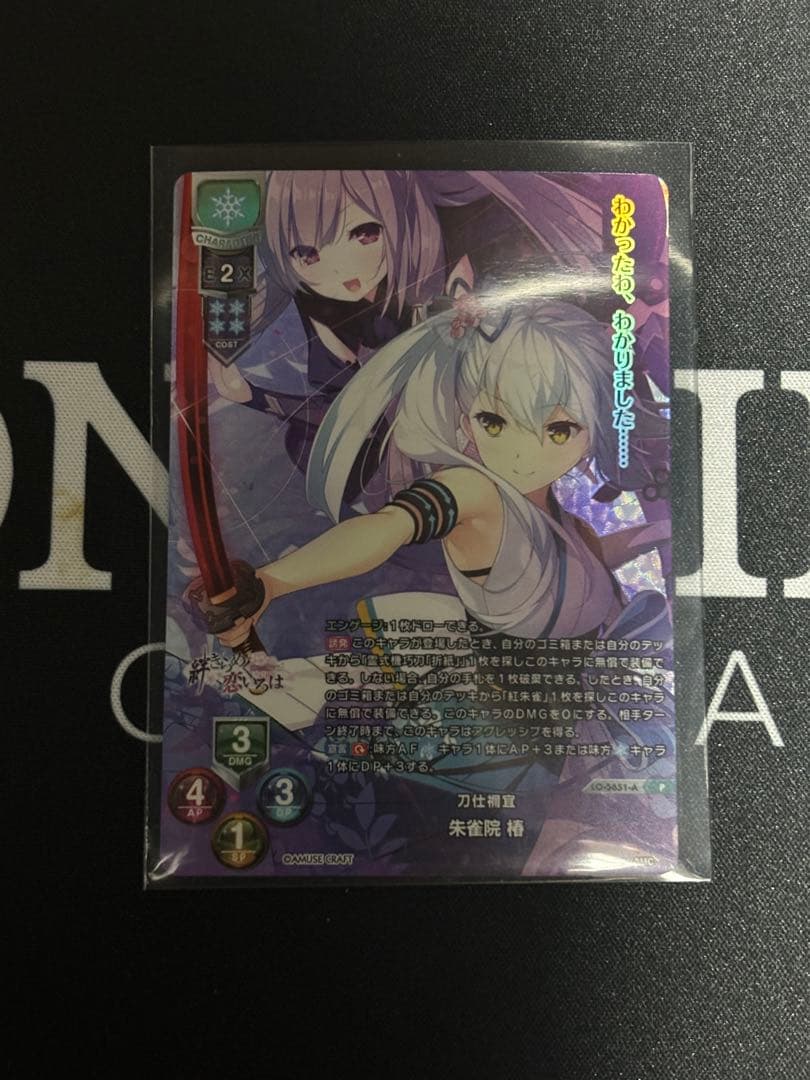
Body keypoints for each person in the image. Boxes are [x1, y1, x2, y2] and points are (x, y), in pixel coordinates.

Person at [216, 296, 671, 652]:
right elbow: (386, 528)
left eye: (558, 430)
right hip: (534, 708)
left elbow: (586, 564)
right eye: (494, 422)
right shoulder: (476, 490)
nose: (522, 454)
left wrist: (662, 531)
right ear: (465, 423)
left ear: (596, 430)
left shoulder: (556, 516)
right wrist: (271, 583)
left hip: (596, 696)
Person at [209, 170, 603, 500]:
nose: (342, 269)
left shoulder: (457, 251)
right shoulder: (325, 311)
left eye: (364, 233)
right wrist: (256, 398)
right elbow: (345, 418)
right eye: (308, 254)